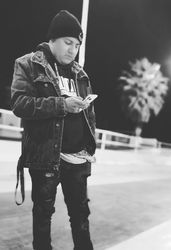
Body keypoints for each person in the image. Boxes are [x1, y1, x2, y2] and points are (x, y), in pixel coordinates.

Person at [11, 10, 96, 250]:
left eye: (77, 45)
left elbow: (90, 115)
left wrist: (91, 146)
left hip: (78, 158)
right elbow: (19, 104)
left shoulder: (81, 73)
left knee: (81, 217)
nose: (73, 50)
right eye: (68, 43)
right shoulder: (28, 64)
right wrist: (62, 105)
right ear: (52, 40)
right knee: (43, 218)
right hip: (47, 158)